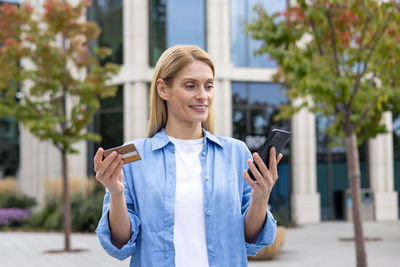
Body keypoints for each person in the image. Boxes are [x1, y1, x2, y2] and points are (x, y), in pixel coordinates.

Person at [94, 45, 283, 267]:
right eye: (190, 86)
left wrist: (261, 197)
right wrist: (116, 194)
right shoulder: (135, 157)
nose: (203, 96)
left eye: (209, 86)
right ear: (163, 89)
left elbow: (252, 239)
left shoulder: (236, 153)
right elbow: (120, 243)